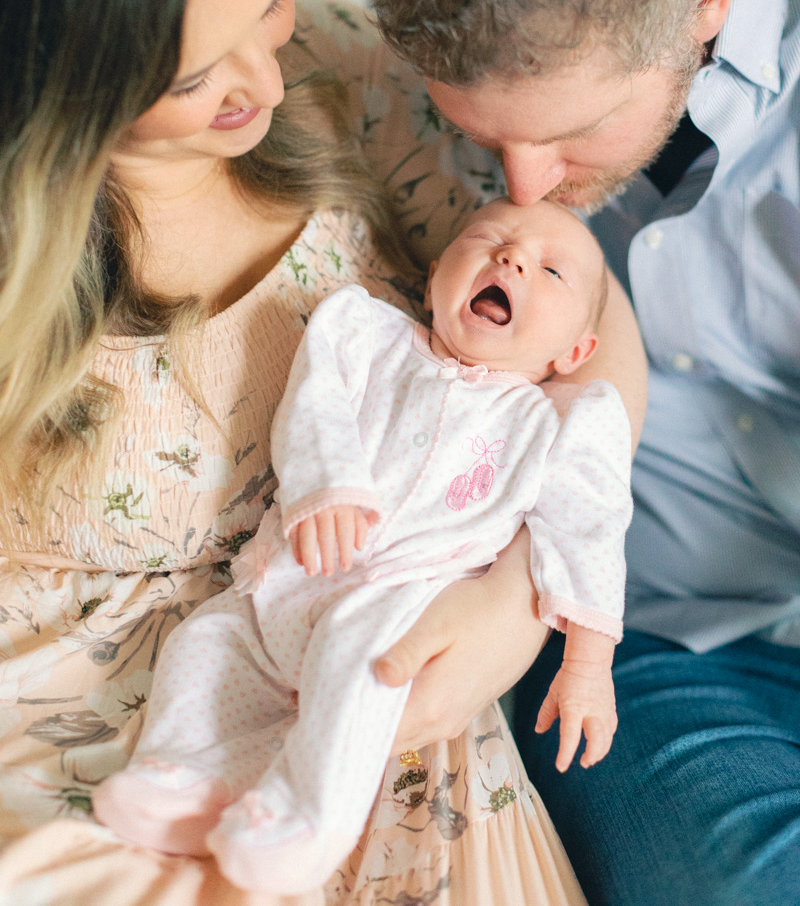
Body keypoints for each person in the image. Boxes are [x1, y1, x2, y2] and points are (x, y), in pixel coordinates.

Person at [0, 0, 620, 906]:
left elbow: (584, 331)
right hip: (72, 748)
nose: (267, 81)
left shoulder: (344, 75)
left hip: (387, 688)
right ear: (54, 84)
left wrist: (521, 601)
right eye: (194, 80)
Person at [367, 0, 800, 906]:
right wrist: (520, 597)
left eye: (570, 135)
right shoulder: (473, 53)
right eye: (483, 133)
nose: (523, 185)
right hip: (645, 642)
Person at [94, 197, 630, 894]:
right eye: (487, 238)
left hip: (396, 606)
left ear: (576, 352)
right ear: (436, 276)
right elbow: (317, 405)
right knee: (207, 644)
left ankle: (306, 817)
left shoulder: (555, 421)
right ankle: (185, 778)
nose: (512, 257)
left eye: (552, 271)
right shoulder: (362, 331)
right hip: (284, 585)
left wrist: (588, 664)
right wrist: (328, 485)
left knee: (361, 662)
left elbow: (587, 528)